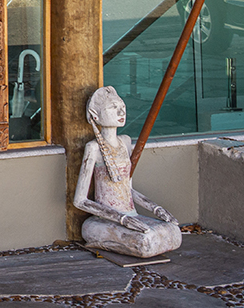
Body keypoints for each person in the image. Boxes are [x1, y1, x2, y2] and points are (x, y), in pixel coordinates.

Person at [72, 86, 181, 258]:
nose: (121, 112)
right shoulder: (93, 148)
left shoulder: (125, 141)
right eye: (113, 107)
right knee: (146, 241)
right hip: (105, 220)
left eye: (122, 106)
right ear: (95, 115)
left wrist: (156, 208)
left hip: (131, 215)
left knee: (173, 232)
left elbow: (127, 189)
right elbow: (80, 201)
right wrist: (122, 219)